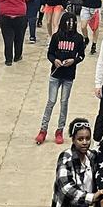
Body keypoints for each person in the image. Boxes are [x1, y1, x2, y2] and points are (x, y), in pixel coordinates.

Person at [38, 12, 86, 145]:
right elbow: (50, 53)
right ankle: (43, 130)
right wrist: (55, 60)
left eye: (72, 22)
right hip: (55, 74)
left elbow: (82, 55)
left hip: (69, 76)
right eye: (68, 22)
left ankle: (60, 130)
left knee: (64, 102)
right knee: (51, 101)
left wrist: (74, 60)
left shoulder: (78, 38)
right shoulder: (56, 37)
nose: (70, 25)